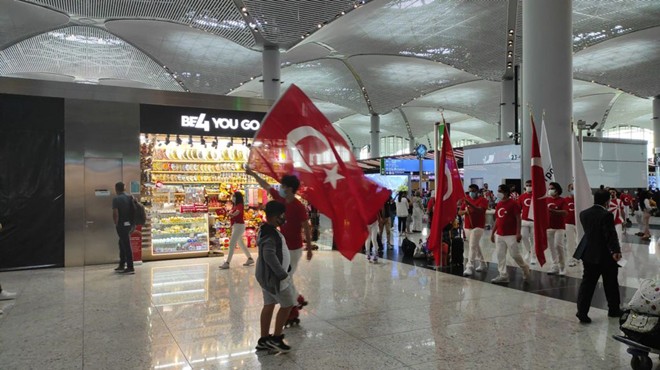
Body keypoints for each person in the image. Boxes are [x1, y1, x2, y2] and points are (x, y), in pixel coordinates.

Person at [246, 167, 313, 273]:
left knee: (286, 276)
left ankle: (288, 290)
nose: (281, 188)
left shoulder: (298, 207)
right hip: (282, 245)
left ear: (289, 189)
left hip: (294, 248)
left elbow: (306, 228)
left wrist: (309, 249)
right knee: (282, 275)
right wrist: (253, 174)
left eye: (283, 186)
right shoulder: (281, 199)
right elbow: (266, 185)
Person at [574, 189, 623, 323]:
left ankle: (582, 311)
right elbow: (610, 235)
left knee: (587, 284)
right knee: (611, 283)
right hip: (605, 254)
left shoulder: (583, 214)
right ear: (607, 201)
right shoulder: (606, 215)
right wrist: (616, 251)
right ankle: (613, 309)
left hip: (588, 253)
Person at [254, 201, 295, 352]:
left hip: (266, 277)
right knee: (287, 304)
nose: (284, 218)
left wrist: (286, 264)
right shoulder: (270, 234)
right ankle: (276, 339)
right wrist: (282, 274)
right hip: (274, 279)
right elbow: (269, 256)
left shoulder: (268, 230)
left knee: (269, 304)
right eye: (282, 215)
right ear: (275, 216)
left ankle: (264, 340)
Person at [490, 184, 531, 284]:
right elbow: (497, 219)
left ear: (506, 192)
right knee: (500, 255)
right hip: (500, 234)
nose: (498, 193)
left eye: (500, 191)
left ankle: (525, 268)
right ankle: (503, 275)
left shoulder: (513, 203)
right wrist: (492, 233)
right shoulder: (499, 204)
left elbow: (518, 218)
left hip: (511, 235)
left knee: (515, 255)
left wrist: (518, 233)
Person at [458, 184, 489, 276]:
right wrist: (465, 211)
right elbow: (460, 212)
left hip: (478, 226)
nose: (471, 192)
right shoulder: (466, 200)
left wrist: (470, 204)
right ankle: (483, 263)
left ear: (477, 191)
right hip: (467, 226)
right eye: (470, 190)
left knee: (472, 246)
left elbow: (480, 210)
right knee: (475, 245)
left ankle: (469, 266)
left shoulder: (483, 200)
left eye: (473, 191)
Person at [219, 191, 254, 269]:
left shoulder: (240, 205)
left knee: (232, 243)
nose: (233, 198)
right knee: (241, 243)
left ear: (237, 197)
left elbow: (238, 212)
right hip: (236, 226)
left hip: (239, 226)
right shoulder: (235, 206)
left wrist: (231, 214)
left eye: (234, 196)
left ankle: (227, 262)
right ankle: (250, 258)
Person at [112, 182, 135, 274]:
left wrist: (116, 223)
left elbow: (115, 213)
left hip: (122, 224)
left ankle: (130, 267)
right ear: (124, 188)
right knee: (122, 243)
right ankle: (122, 264)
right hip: (130, 224)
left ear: (116, 189)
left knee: (126, 245)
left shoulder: (116, 199)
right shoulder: (130, 197)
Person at [546, 182, 568, 275]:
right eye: (549, 188)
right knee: (551, 248)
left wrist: (553, 211)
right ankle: (554, 265)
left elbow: (565, 213)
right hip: (548, 227)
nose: (550, 190)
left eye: (552, 188)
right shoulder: (546, 200)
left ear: (557, 190)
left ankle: (562, 267)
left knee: (558, 246)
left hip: (559, 227)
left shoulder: (562, 200)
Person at [518, 180, 537, 265]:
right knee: (524, 237)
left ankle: (533, 256)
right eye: (527, 185)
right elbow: (518, 208)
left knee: (533, 239)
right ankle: (528, 251)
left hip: (534, 221)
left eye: (530, 185)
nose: (529, 186)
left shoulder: (536, 196)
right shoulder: (522, 196)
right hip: (524, 220)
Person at [565, 183, 579, 267]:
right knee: (570, 242)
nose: (573, 190)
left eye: (575, 188)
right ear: (569, 189)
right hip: (568, 223)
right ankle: (570, 258)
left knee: (579, 241)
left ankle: (577, 257)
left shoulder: (580, 200)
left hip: (579, 224)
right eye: (572, 188)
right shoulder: (565, 200)